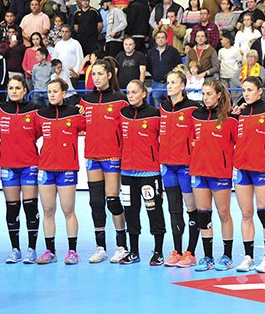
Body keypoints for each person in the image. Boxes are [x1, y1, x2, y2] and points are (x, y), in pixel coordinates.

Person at [80, 57, 130, 263]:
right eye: (94, 74)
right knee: (95, 202)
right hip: (92, 156)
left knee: (112, 200)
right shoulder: (85, 101)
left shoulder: (120, 100)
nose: (97, 78)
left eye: (100, 73)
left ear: (110, 75)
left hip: (112, 156)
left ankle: (122, 246)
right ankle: (100, 247)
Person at [31, 78, 85, 265]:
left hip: (67, 168)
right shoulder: (41, 114)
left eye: (55, 91)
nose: (52, 95)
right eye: (49, 92)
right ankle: (50, 251)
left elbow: (89, 128)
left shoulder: (75, 114)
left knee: (68, 210)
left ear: (64, 93)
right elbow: (34, 134)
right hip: (45, 168)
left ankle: (72, 252)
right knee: (47, 211)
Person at [230, 76, 265, 273]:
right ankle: (248, 257)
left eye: (250, 90)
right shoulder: (238, 114)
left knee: (264, 212)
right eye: (244, 90)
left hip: (262, 168)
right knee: (246, 213)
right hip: (242, 168)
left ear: (260, 91)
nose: (246, 94)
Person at [189, 80, 238, 271]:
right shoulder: (196, 115)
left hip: (220, 173)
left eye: (209, 94)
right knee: (204, 216)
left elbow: (238, 143)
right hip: (199, 172)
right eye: (203, 94)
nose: (205, 98)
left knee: (224, 214)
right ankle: (207, 257)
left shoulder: (230, 118)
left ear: (218, 95)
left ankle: (227, 256)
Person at [118, 80, 167, 265]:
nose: (130, 95)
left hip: (149, 173)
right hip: (128, 173)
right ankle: (134, 252)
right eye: (128, 92)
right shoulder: (122, 114)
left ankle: (159, 252)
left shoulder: (155, 115)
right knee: (130, 213)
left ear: (144, 94)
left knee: (154, 212)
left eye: (134, 92)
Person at [158, 70, 202, 268]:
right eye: (168, 82)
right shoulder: (163, 107)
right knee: (174, 210)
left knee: (191, 209)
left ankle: (190, 253)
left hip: (186, 166)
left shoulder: (193, 107)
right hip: (168, 166)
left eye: (173, 82)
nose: (169, 85)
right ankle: (176, 251)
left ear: (183, 86)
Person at [0, 77, 41, 264]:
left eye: (18, 88)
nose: (14, 91)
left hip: (29, 164)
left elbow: (38, 132)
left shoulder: (35, 110)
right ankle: (15, 249)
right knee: (12, 208)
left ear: (24, 90)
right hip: (8, 165)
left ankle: (31, 249)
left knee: (30, 207)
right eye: (11, 88)